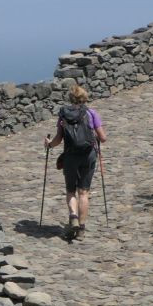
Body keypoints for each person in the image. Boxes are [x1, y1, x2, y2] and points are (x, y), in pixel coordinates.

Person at [44, 84, 107, 238]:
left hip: (70, 156)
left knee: (71, 190)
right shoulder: (92, 113)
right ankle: (81, 229)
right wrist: (95, 137)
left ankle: (73, 217)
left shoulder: (63, 115)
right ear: (84, 98)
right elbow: (103, 138)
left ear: (70, 98)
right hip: (88, 155)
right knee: (83, 192)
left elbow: (58, 139)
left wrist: (49, 144)